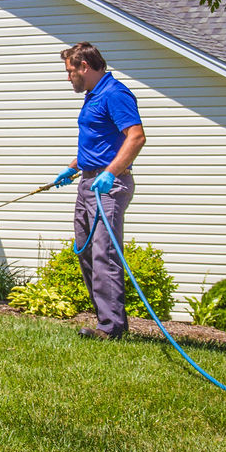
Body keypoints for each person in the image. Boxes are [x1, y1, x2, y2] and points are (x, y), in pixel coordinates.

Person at [53, 42, 145, 340]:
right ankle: (104, 320)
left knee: (104, 254)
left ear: (84, 67)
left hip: (108, 186)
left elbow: (136, 137)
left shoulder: (115, 94)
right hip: (87, 181)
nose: (68, 78)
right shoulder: (94, 96)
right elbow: (99, 142)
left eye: (70, 72)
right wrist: (73, 166)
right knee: (87, 253)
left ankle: (112, 329)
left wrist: (110, 173)